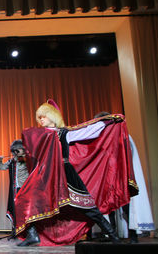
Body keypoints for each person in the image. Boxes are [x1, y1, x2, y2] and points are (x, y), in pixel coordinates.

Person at [16, 100, 136, 246]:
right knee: (24, 198)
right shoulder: (41, 135)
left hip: (65, 173)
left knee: (87, 207)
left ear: (52, 116)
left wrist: (108, 121)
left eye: (44, 116)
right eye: (39, 117)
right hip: (47, 175)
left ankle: (113, 235)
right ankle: (32, 234)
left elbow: (89, 131)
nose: (41, 119)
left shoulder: (64, 133)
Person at [93, 112, 155, 243]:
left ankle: (133, 235)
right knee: (109, 207)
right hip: (109, 176)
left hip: (123, 177)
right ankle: (112, 233)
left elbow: (126, 155)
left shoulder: (122, 135)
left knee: (127, 207)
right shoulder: (103, 137)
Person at [0, 140, 33, 235]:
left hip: (25, 188)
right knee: (15, 209)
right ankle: (17, 230)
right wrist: (0, 160)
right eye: (14, 151)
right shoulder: (12, 161)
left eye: (18, 150)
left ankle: (27, 231)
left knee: (25, 210)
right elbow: (1, 167)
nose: (16, 152)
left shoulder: (27, 160)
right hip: (15, 189)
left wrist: (24, 155)